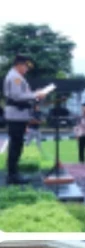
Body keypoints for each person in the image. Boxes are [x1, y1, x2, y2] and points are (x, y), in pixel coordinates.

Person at [3, 55, 46, 184]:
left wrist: (35, 94)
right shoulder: (15, 77)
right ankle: (12, 175)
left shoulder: (17, 76)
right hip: (16, 115)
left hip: (18, 115)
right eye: (26, 66)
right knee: (16, 145)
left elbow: (23, 95)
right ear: (19, 65)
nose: (27, 69)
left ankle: (13, 173)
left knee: (17, 144)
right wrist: (35, 94)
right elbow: (17, 96)